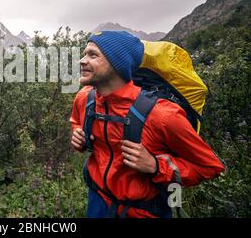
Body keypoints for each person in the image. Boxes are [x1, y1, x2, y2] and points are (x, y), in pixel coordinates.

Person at [70, 31, 225, 218]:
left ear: (117, 63)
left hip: (144, 211)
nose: (82, 60)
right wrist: (79, 133)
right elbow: (76, 122)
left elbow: (210, 167)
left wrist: (156, 166)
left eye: (93, 55)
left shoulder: (162, 115)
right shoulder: (85, 99)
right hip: (98, 202)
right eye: (85, 53)